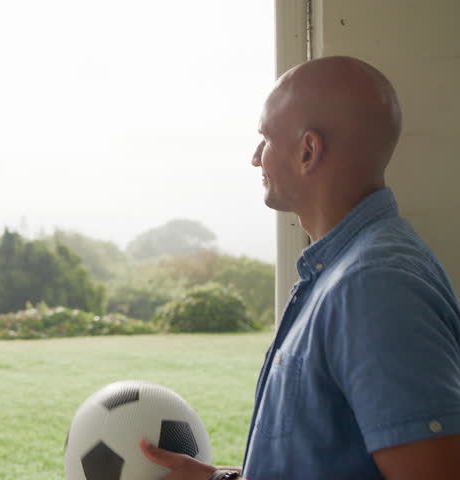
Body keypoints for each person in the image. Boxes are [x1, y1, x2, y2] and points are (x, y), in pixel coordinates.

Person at [138, 55, 460, 480]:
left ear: (308, 151)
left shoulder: (372, 286)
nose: (256, 158)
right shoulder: (346, 273)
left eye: (266, 139)